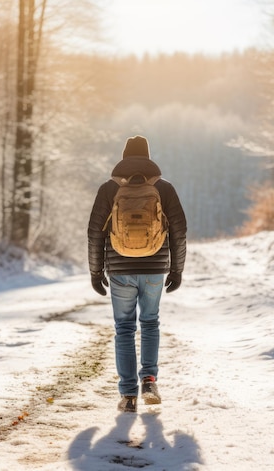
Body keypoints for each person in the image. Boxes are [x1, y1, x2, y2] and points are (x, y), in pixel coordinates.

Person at [87, 135, 187, 413]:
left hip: (120, 269)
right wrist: (176, 269)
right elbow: (179, 230)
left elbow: (95, 232)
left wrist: (96, 271)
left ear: (123, 158)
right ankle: (150, 381)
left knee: (124, 328)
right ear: (148, 157)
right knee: (151, 322)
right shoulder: (164, 189)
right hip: (155, 267)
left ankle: (128, 395)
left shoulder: (108, 189)